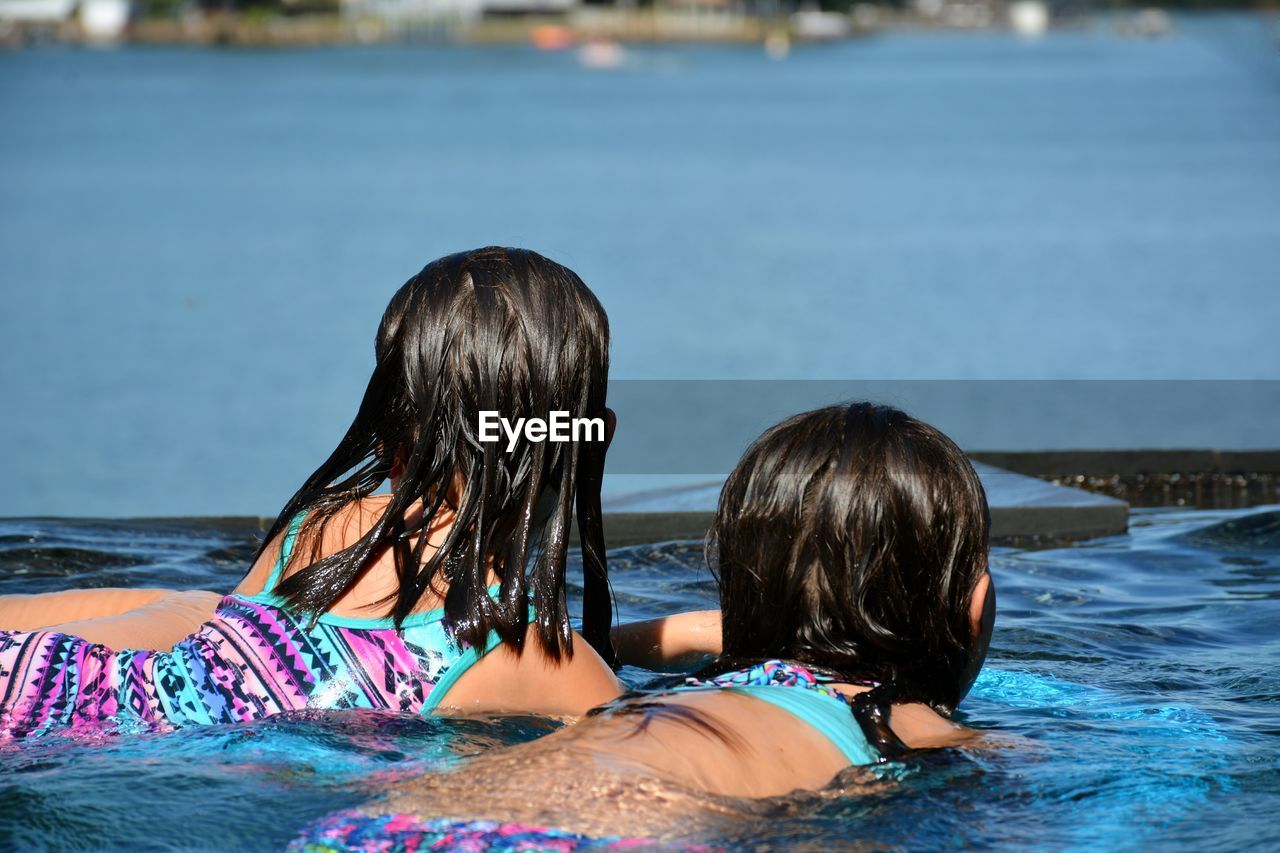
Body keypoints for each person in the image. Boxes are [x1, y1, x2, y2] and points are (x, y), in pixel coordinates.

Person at [290, 402, 998, 850]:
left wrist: (699, 632)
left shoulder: (681, 693)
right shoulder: (921, 734)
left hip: (381, 826)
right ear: (970, 603)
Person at [0, 247, 627, 737]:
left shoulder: (319, 525)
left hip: (49, 686)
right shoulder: (539, 659)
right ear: (588, 438)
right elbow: (655, 740)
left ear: (387, 435)